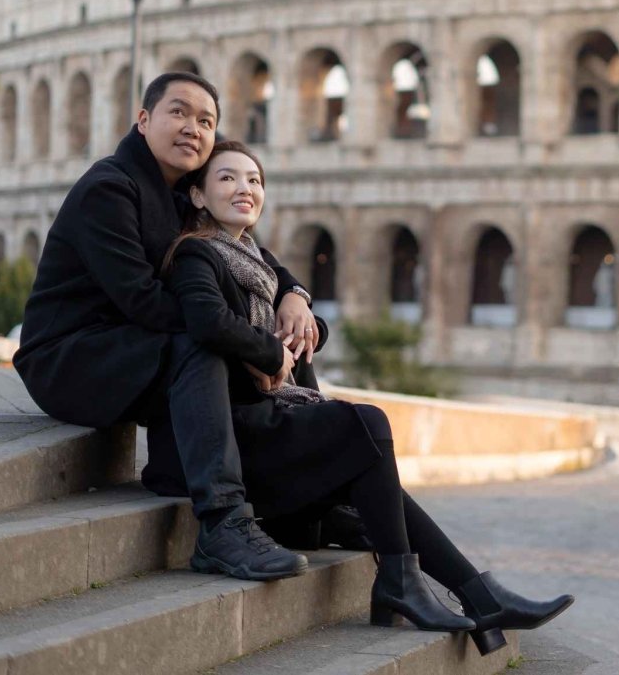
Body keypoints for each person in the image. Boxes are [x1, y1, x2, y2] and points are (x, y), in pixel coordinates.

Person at [164, 139, 574, 655]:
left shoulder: (259, 262)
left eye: (255, 179)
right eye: (227, 178)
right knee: (367, 425)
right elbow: (207, 320)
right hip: (234, 435)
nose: (245, 188)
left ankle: (474, 593)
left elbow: (306, 338)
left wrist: (299, 303)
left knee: (368, 452)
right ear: (198, 196)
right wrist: (271, 350)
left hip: (271, 423)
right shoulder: (195, 253)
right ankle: (427, 588)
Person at [15, 72, 319, 582]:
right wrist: (248, 344)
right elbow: (144, 302)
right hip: (70, 360)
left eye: (206, 121)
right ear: (143, 119)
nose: (192, 129)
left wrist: (294, 295)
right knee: (203, 346)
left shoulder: (182, 196)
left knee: (284, 334)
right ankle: (222, 524)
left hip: (135, 352)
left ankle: (312, 497)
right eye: (178, 112)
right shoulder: (108, 189)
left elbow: (253, 255)